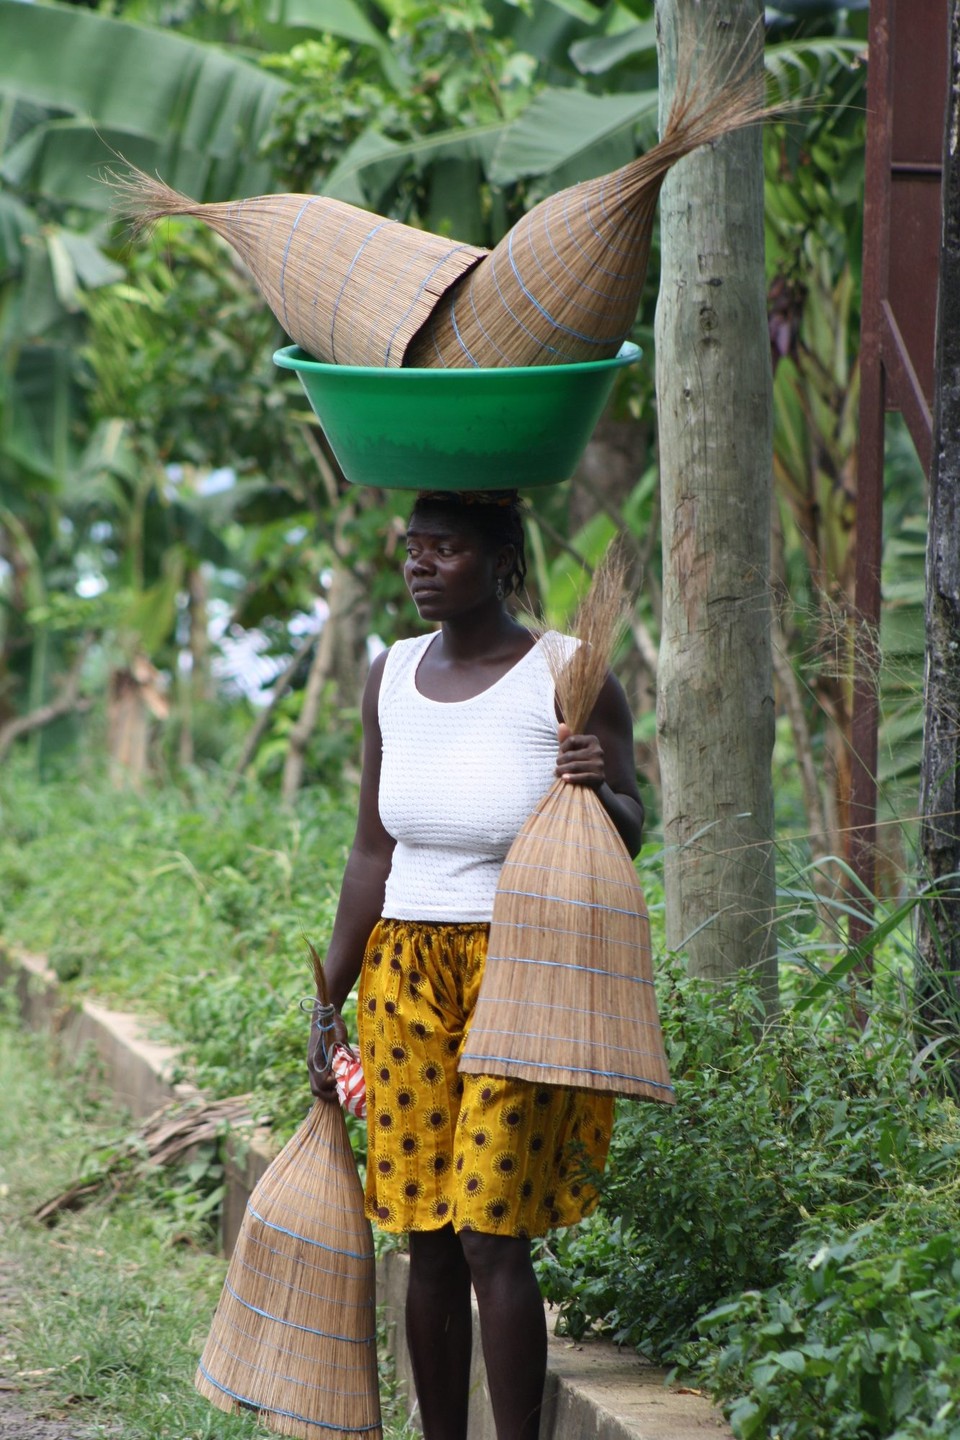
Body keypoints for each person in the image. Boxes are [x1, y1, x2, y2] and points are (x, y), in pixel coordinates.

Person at [308, 489, 644, 1440]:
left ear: (500, 559)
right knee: (428, 1234)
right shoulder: (391, 675)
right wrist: (327, 1000)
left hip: (523, 971)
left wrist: (597, 788)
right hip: (405, 971)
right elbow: (372, 850)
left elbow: (628, 826)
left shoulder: (567, 673)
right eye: (413, 547)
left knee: (490, 1226)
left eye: (444, 548)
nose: (418, 564)